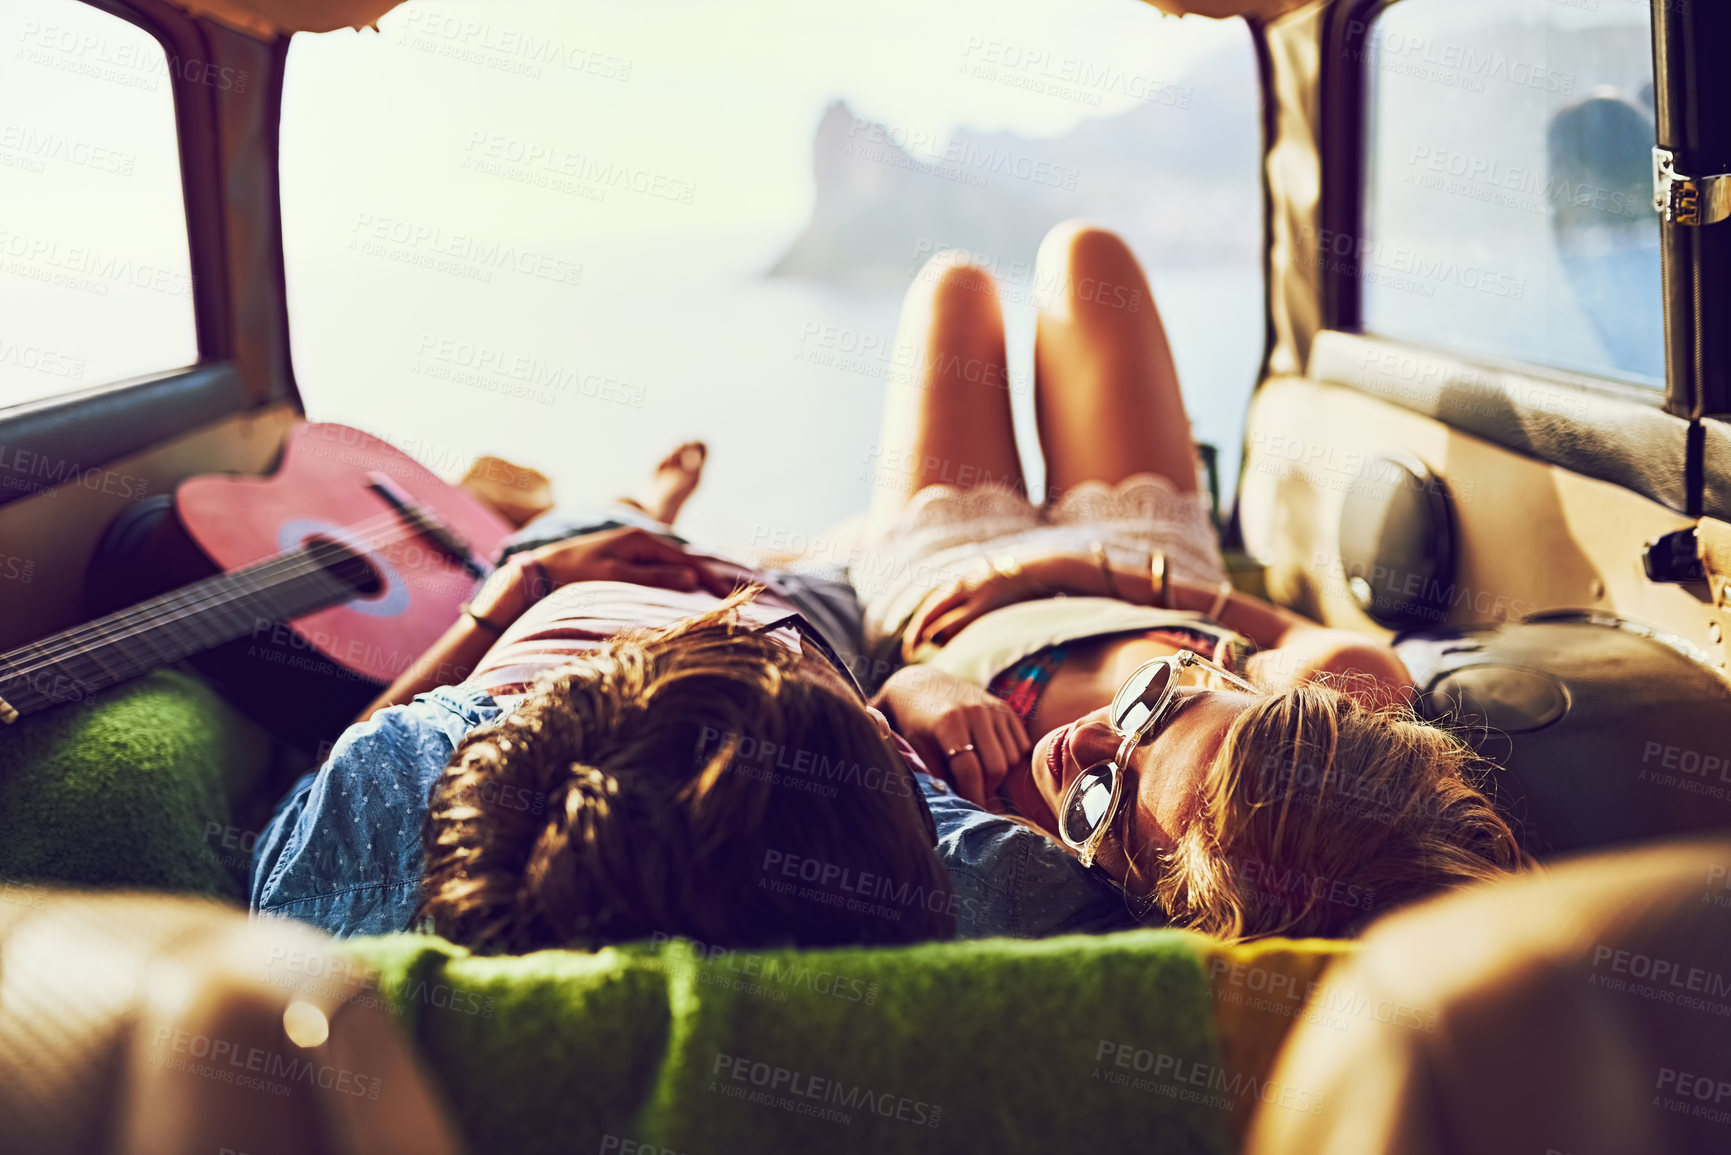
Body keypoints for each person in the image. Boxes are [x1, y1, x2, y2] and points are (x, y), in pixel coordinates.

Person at [855, 220, 1523, 941]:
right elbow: (1288, 633)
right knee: (1086, 256)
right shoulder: (1339, 689)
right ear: (1244, 692)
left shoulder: (1013, 851)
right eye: (1155, 705)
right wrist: (1070, 568)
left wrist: (910, 689)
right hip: (1135, 559)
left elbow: (854, 718)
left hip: (943, 591)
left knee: (953, 287)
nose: (1086, 738)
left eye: (1102, 802)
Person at [250, 445, 956, 952]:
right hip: (782, 603)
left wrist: (518, 591)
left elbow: (325, 770)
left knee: (584, 522)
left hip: (572, 576)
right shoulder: (931, 862)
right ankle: (657, 514)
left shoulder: (391, 810)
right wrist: (912, 690)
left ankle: (644, 507)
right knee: (894, 544)